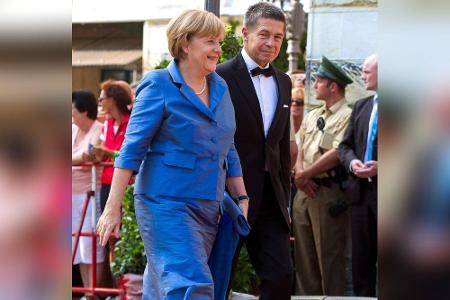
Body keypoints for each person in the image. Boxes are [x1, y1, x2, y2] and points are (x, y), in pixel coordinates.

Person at [96, 9, 248, 299]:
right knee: (191, 284)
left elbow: (228, 146)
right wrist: (112, 207)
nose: (218, 49)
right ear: (186, 44)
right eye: (211, 41)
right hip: (165, 204)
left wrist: (241, 197)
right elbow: (131, 149)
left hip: (208, 204)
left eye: (219, 41)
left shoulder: (220, 87)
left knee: (163, 285)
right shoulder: (158, 84)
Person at [217, 2, 293, 299]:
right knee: (219, 276)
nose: (271, 43)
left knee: (281, 276)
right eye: (265, 34)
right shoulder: (218, 77)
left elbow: (280, 145)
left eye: (278, 37)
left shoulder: (284, 82)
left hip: (272, 199)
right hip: (228, 197)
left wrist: (284, 195)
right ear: (246, 33)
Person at [293, 56, 353, 296]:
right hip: (303, 191)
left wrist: (305, 174)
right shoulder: (312, 114)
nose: (314, 85)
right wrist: (300, 175)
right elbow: (299, 144)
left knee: (328, 257)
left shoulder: (347, 115)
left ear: (333, 86)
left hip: (326, 192)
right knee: (304, 259)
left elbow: (338, 153)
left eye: (319, 81)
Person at [339, 54, 378, 296]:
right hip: (361, 196)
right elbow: (344, 146)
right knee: (361, 263)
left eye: (366, 71)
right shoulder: (362, 106)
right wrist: (353, 163)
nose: (362, 76)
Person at [72, 90, 104, 299]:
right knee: (77, 244)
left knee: (90, 243)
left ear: (84, 110)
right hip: (69, 195)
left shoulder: (98, 129)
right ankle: (85, 290)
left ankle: (93, 292)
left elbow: (92, 154)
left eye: (73, 109)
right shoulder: (73, 129)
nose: (71, 113)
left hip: (90, 194)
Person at [92, 79, 133, 213]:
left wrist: (108, 152)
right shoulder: (107, 124)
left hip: (128, 183)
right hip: (107, 181)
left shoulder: (133, 123)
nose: (99, 102)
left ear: (112, 100)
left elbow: (132, 154)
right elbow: (102, 154)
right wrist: (96, 153)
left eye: (101, 98)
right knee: (107, 228)